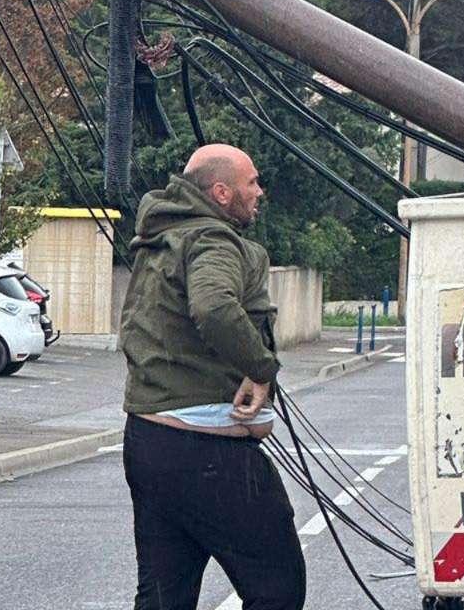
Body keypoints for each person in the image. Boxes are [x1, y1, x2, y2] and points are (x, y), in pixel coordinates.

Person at [120, 143, 306, 610]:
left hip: (148, 440)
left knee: (164, 598)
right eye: (252, 182)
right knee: (277, 588)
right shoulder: (212, 241)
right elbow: (214, 306)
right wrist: (261, 368)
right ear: (222, 193)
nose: (259, 192)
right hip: (208, 454)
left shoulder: (162, 240)